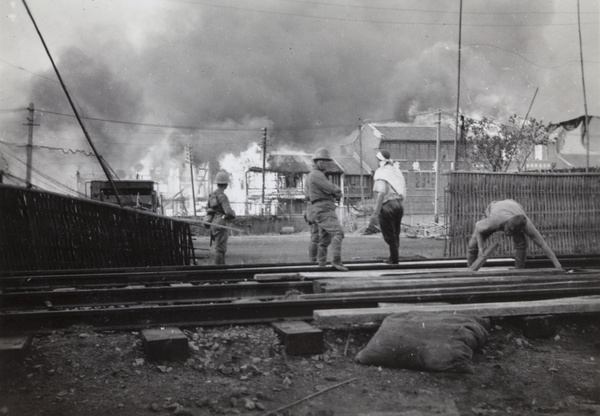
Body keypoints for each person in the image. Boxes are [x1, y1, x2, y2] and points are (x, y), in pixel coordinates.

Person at [467, 199, 562, 270]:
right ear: (505, 226)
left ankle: (519, 270)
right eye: (507, 231)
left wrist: (557, 265)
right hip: (496, 206)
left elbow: (542, 244)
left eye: (511, 233)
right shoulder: (494, 221)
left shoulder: (526, 224)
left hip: (515, 207)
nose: (507, 234)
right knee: (473, 244)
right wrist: (480, 248)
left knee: (521, 243)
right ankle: (471, 269)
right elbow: (478, 229)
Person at [306, 147, 348, 271]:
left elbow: (326, 189)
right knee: (338, 233)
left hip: (321, 209)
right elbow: (331, 188)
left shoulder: (314, 175)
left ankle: (321, 265)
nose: (325, 163)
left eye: (327, 161)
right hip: (323, 209)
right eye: (322, 161)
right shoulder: (316, 175)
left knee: (324, 240)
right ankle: (336, 261)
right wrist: (336, 190)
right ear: (316, 162)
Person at [369, 149, 406, 264]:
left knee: (390, 235)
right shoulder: (395, 170)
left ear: (380, 160)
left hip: (388, 206)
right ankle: (394, 257)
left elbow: (381, 193)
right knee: (396, 233)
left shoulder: (381, 173)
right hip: (399, 204)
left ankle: (394, 260)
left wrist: (375, 213)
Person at [205, 171, 236, 265]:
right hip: (221, 224)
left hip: (213, 223)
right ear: (226, 185)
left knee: (218, 248)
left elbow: (208, 209)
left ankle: (222, 269)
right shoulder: (222, 196)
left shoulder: (212, 195)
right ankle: (219, 271)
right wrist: (233, 214)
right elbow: (228, 212)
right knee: (220, 250)